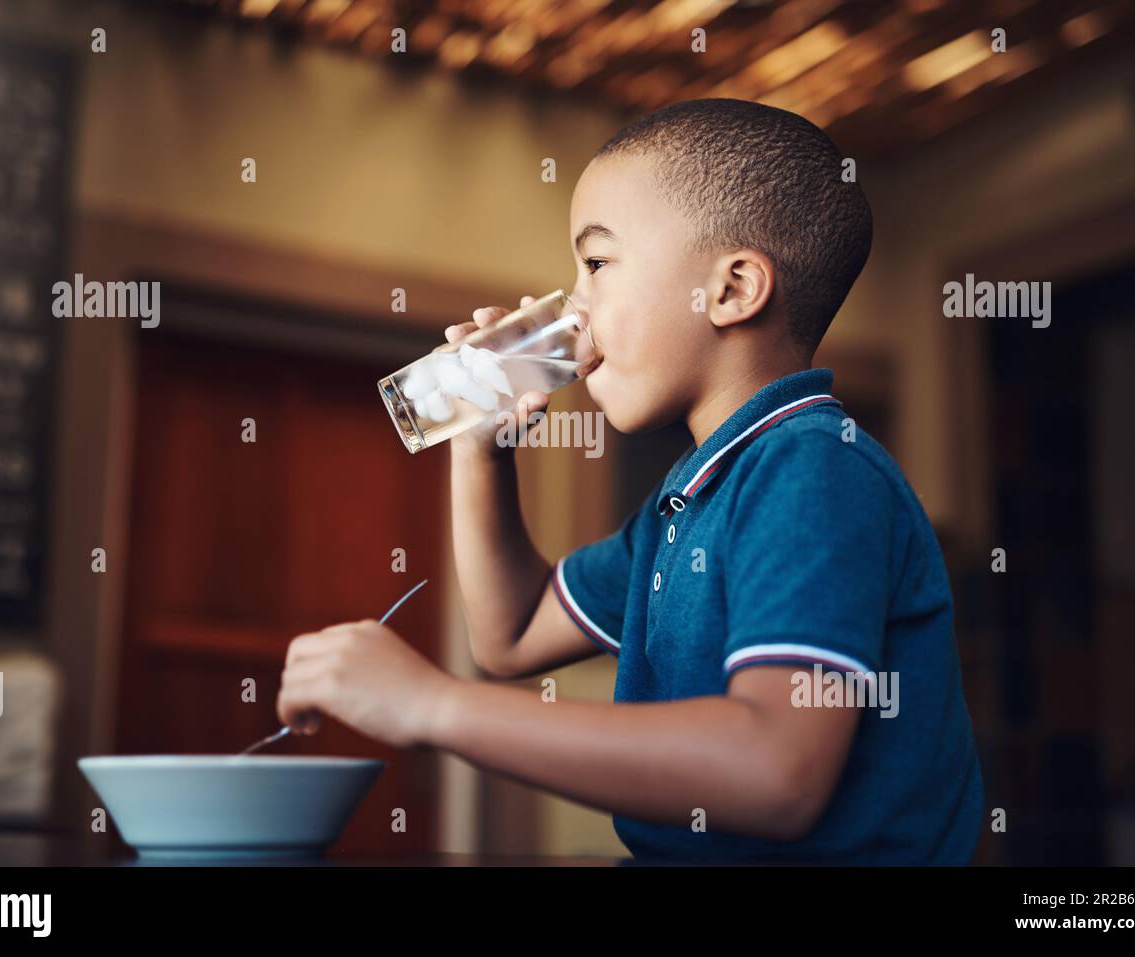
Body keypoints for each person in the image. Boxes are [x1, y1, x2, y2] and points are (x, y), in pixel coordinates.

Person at [278, 98, 983, 864]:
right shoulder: (683, 505)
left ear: (733, 290)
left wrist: (428, 704)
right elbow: (508, 634)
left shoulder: (813, 469)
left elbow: (775, 770)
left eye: (597, 264)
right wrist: (481, 449)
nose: (572, 306)